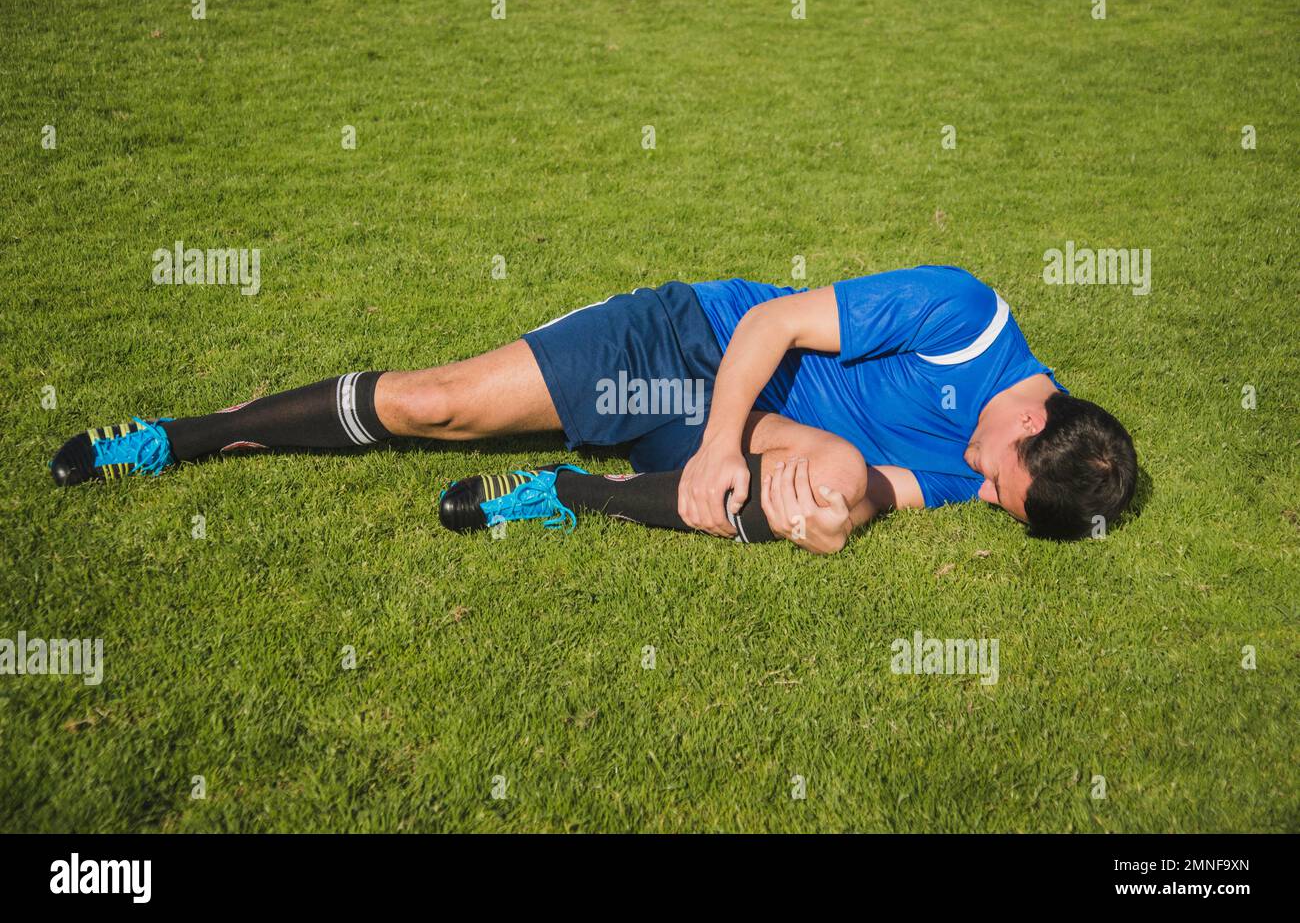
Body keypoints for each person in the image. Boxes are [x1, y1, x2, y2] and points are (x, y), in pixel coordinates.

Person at [49, 265, 1138, 553]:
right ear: (1034, 424)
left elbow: (876, 490)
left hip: (756, 434)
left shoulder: (997, 471)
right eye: (989, 474)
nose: (969, 477)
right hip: (689, 347)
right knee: (436, 405)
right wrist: (720, 448)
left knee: (846, 490)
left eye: (984, 494)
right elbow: (769, 334)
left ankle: (573, 496)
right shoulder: (963, 317)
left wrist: (822, 515)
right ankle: (172, 437)